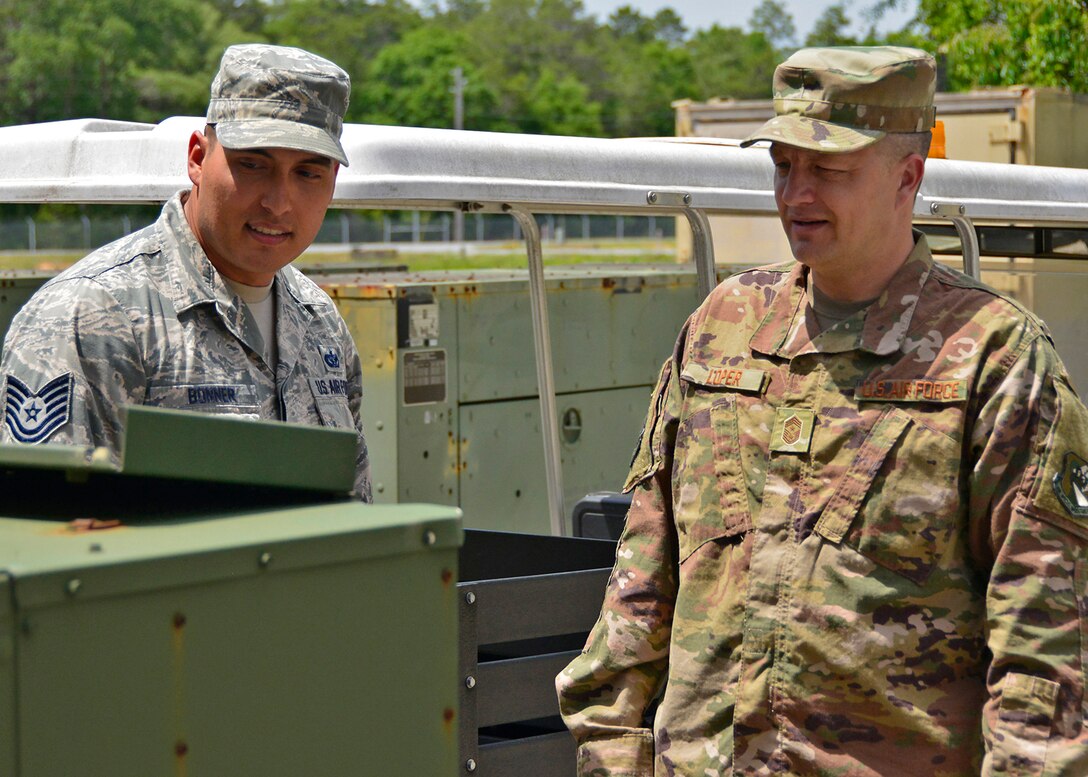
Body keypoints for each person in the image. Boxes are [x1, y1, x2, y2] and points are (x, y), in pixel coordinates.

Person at [557, 46, 1088, 775]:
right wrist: (610, 754)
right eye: (783, 165)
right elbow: (643, 573)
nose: (797, 193)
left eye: (829, 169)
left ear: (909, 176)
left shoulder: (993, 358)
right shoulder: (723, 327)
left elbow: (1045, 650)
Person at [0, 44, 371, 500]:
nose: (278, 202)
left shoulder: (319, 321)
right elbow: (45, 533)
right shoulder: (92, 316)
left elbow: (355, 511)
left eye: (308, 174)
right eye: (253, 164)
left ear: (332, 182)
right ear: (197, 157)